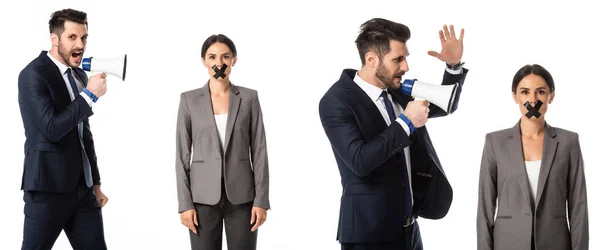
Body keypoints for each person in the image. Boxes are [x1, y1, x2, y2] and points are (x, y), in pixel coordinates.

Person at [318, 18, 469, 250]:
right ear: (371, 60)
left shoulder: (397, 88)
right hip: (368, 236)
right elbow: (359, 161)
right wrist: (406, 122)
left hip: (409, 231)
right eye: (397, 59)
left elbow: (445, 103)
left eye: (405, 57)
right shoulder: (336, 101)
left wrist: (454, 67)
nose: (406, 67)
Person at [17, 8, 109, 250]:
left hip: (83, 191)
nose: (80, 44)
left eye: (84, 37)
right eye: (72, 37)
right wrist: (88, 95)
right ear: (54, 39)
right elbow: (52, 129)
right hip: (47, 189)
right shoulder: (33, 75)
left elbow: (83, 133)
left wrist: (95, 182)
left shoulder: (78, 74)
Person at [476, 64, 589, 250]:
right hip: (508, 243)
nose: (533, 99)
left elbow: (579, 207)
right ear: (515, 96)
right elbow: (485, 207)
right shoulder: (495, 142)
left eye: (541, 92)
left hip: (554, 243)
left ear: (551, 96)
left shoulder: (568, 142)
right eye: (525, 92)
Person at [175, 34, 270, 250]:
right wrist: (184, 204)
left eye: (225, 56)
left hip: (242, 198)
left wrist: (261, 199)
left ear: (234, 60)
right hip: (201, 200)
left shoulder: (249, 98)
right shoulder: (188, 100)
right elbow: (181, 155)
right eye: (212, 57)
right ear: (204, 61)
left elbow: (259, 150)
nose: (219, 63)